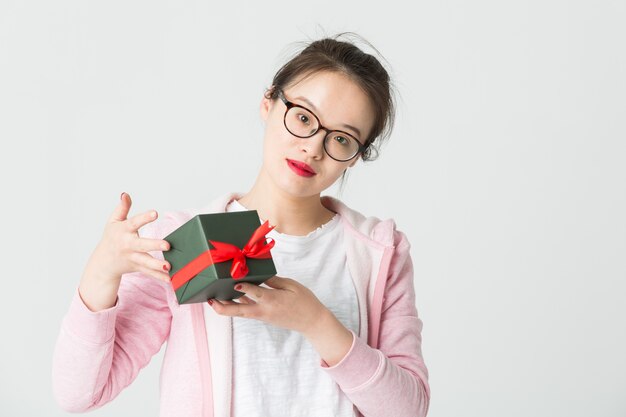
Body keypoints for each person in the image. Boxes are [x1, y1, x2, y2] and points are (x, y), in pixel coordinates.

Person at [52, 33, 430, 417]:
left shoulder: (379, 251)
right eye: (303, 117)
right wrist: (101, 270)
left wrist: (317, 322)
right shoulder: (183, 242)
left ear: (356, 156)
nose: (314, 148)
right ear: (269, 102)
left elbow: (409, 409)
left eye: (342, 139)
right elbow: (79, 394)